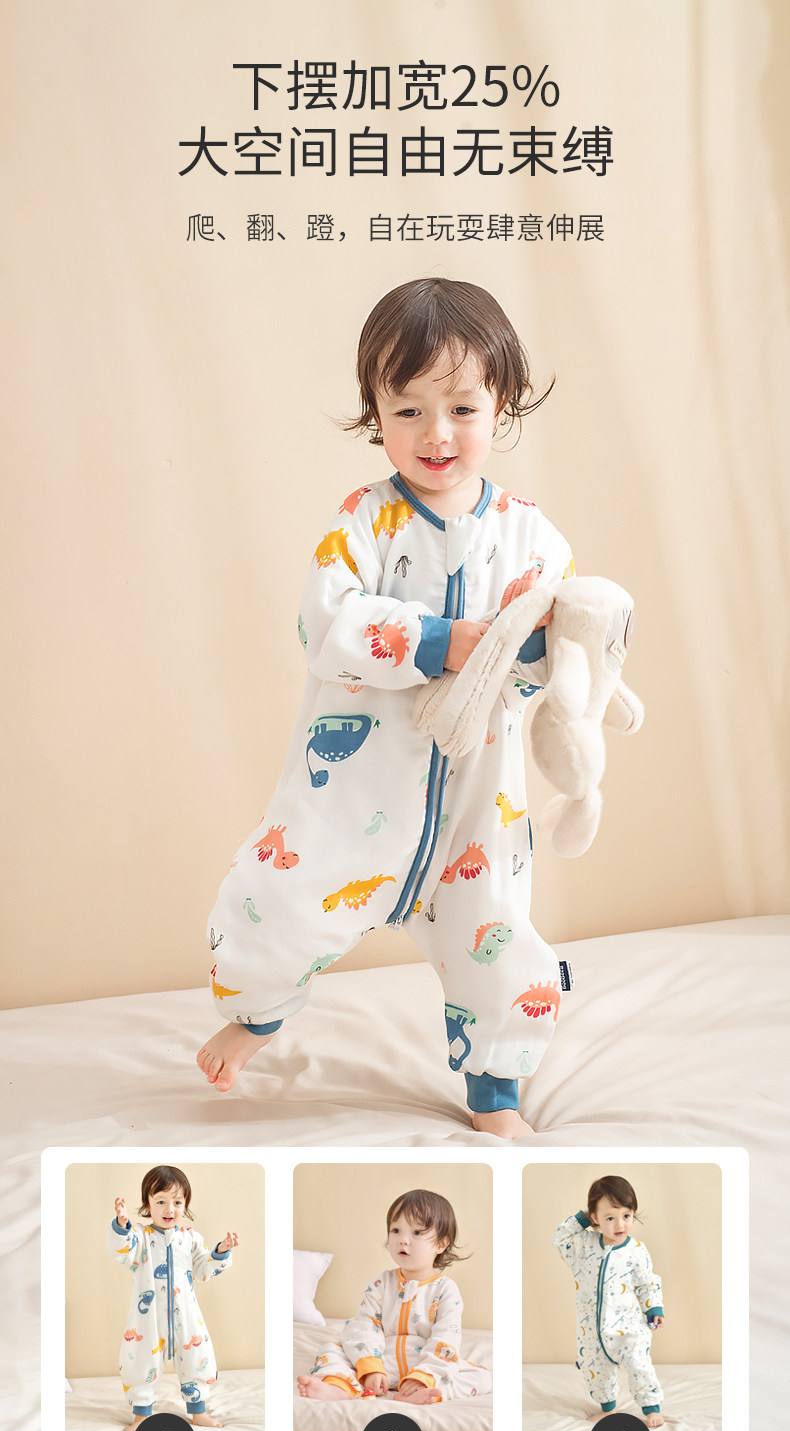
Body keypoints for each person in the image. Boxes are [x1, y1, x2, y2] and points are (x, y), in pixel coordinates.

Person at [198, 276, 575, 1138]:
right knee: (279, 900)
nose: (436, 433)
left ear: (502, 403)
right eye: (408, 410)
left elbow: (546, 651)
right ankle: (256, 1015)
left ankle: (495, 1089)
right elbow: (327, 623)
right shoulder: (363, 523)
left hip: (478, 804)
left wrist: (541, 649)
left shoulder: (532, 536)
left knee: (498, 934)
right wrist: (438, 640)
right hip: (355, 791)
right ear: (376, 411)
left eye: (462, 408)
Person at [297, 1189, 490, 1402]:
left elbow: (446, 1338)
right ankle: (338, 1387)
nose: (403, 1240)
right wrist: (371, 1367)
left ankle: (426, 1393)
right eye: (396, 1230)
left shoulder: (445, 1290)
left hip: (421, 1366)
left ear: (441, 1244)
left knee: (482, 1376)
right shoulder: (381, 1284)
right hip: (380, 1364)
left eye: (417, 1232)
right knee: (331, 1350)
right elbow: (363, 1325)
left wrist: (425, 1376)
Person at [107, 1165, 237, 1431]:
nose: (170, 1209)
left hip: (186, 1316)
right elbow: (122, 1251)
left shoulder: (191, 1239)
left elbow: (202, 1269)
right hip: (148, 1318)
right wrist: (121, 1225)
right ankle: (141, 1415)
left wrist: (220, 1252)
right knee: (140, 1361)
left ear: (185, 1204)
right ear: (147, 1205)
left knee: (197, 1357)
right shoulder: (140, 1238)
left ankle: (198, 1412)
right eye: (161, 1202)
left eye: (177, 1202)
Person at [552, 1175, 665, 1428]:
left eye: (626, 1215)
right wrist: (582, 1218)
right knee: (596, 1371)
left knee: (639, 1365)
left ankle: (651, 1408)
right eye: (610, 1218)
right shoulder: (583, 1246)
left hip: (629, 1327)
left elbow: (647, 1282)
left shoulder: (637, 1250)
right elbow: (559, 1238)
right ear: (595, 1218)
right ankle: (608, 1408)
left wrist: (653, 1307)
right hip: (592, 1330)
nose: (620, 1224)